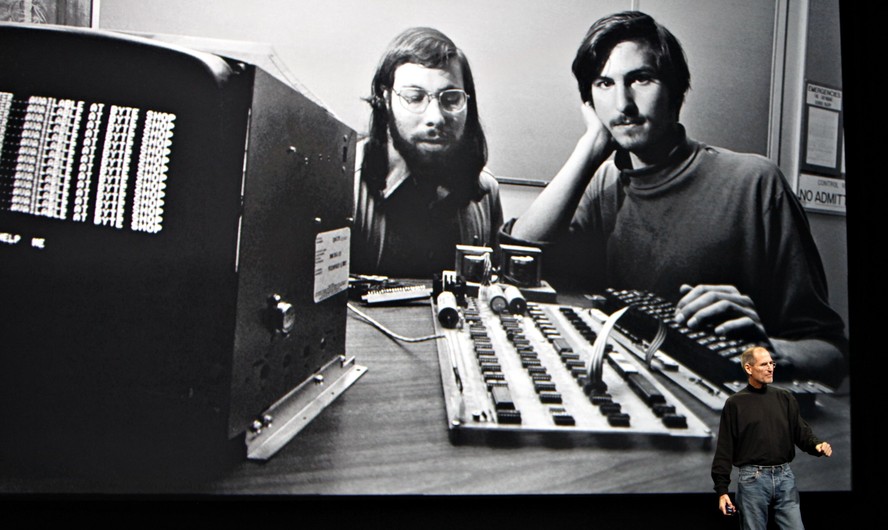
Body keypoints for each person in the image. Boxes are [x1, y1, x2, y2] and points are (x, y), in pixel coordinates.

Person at [503, 11, 847, 387]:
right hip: (635, 398)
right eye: (604, 84)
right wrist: (590, 148)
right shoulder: (604, 183)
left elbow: (831, 355)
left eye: (641, 79)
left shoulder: (756, 183)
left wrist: (771, 353)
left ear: (676, 93)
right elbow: (519, 259)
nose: (623, 104)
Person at [351, 27, 503, 278]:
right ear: (384, 99)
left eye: (451, 99)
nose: (435, 117)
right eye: (414, 97)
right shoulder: (343, 186)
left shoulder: (486, 192)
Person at [711, 346, 832, 528]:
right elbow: (725, 448)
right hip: (753, 479)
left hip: (785, 477)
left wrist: (817, 445)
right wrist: (722, 491)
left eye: (771, 363)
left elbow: (800, 431)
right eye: (763, 364)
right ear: (749, 369)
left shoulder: (784, 397)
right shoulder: (735, 403)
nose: (770, 368)